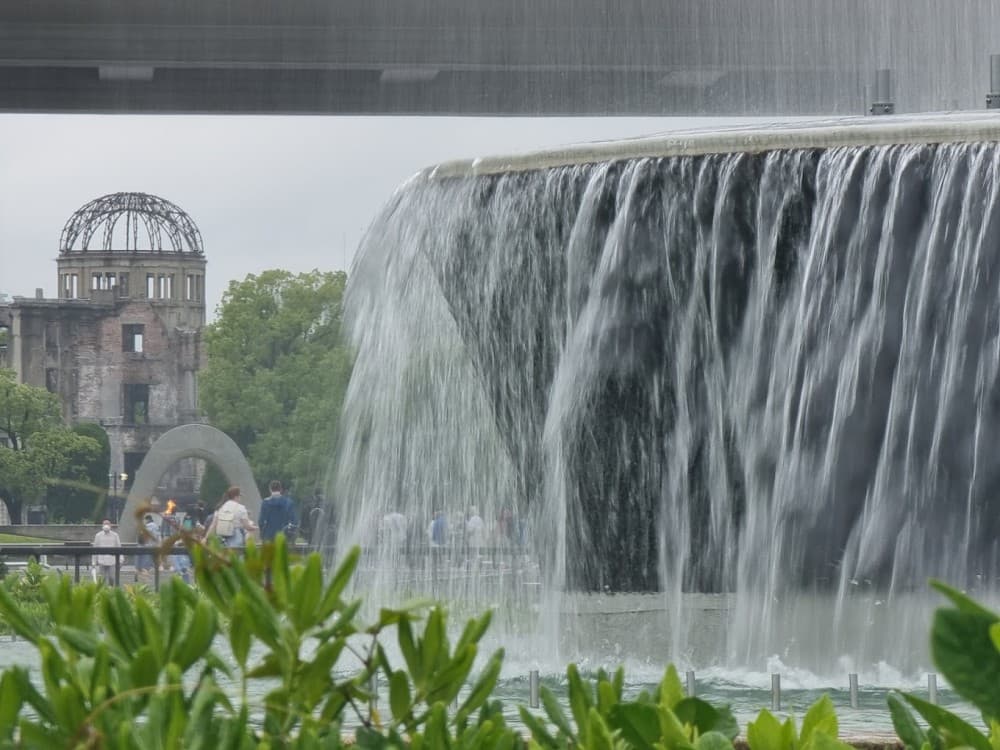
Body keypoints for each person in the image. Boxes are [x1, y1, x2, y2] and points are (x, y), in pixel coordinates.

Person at [91, 519, 121, 585]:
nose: (106, 525)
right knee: (102, 578)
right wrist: (93, 562)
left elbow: (119, 547)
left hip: (112, 561)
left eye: (108, 524)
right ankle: (103, 591)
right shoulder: (98, 535)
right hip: (101, 560)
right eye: (105, 524)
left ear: (110, 525)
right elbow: (95, 549)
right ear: (102, 525)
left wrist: (120, 560)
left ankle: (110, 588)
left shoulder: (115, 535)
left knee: (112, 577)